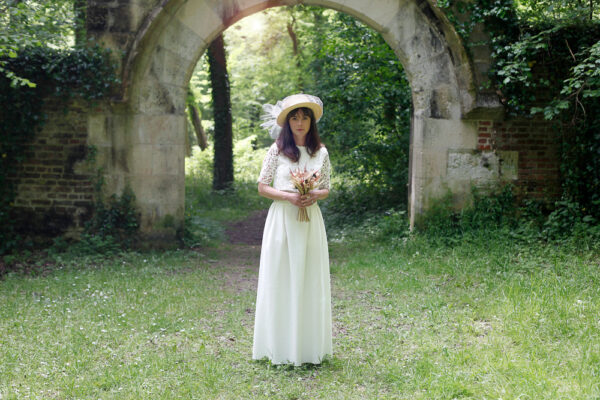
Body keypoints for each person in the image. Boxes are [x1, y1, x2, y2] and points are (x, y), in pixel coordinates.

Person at [252, 93, 332, 366]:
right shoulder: (276, 150)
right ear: (288, 122)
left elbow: (327, 188)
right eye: (295, 118)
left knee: (308, 277)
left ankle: (308, 348)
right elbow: (262, 186)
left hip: (310, 221)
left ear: (311, 122)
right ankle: (279, 346)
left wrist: (313, 195)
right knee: (281, 277)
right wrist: (289, 196)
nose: (300, 122)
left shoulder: (320, 152)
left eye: (305, 117)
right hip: (282, 221)